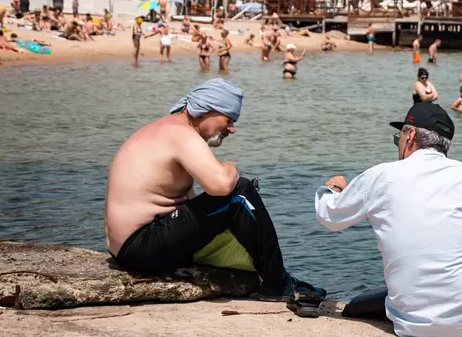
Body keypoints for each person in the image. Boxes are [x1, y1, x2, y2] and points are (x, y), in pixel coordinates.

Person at [105, 79, 324, 301]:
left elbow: (189, 204)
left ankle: (275, 277)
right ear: (206, 110)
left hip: (132, 246)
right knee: (240, 192)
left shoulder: (167, 129)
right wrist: (229, 168)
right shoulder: (181, 134)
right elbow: (220, 186)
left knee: (235, 199)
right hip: (141, 246)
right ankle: (278, 284)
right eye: (228, 119)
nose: (231, 129)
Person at [314, 103, 462, 337]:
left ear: (410, 135)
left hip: (410, 326)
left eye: (397, 139)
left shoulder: (381, 176)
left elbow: (328, 217)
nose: (398, 146)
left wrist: (333, 188)